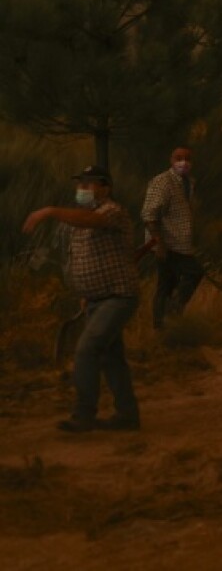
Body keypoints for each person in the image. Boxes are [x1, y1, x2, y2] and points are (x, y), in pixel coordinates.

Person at [22, 165, 142, 433]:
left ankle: (84, 415)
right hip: (96, 299)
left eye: (88, 185)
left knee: (87, 350)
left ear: (105, 188)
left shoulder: (113, 212)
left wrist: (50, 211)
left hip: (118, 296)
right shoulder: (78, 221)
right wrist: (86, 294)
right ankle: (127, 415)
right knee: (112, 358)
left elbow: (92, 221)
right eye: (80, 185)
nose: (82, 190)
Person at [141, 145, 203, 329]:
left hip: (181, 243)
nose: (183, 162)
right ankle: (171, 314)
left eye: (187, 158)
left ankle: (163, 328)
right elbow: (149, 214)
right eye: (178, 158)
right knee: (193, 272)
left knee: (167, 284)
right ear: (171, 160)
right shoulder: (163, 182)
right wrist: (158, 243)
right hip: (166, 243)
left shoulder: (188, 182)